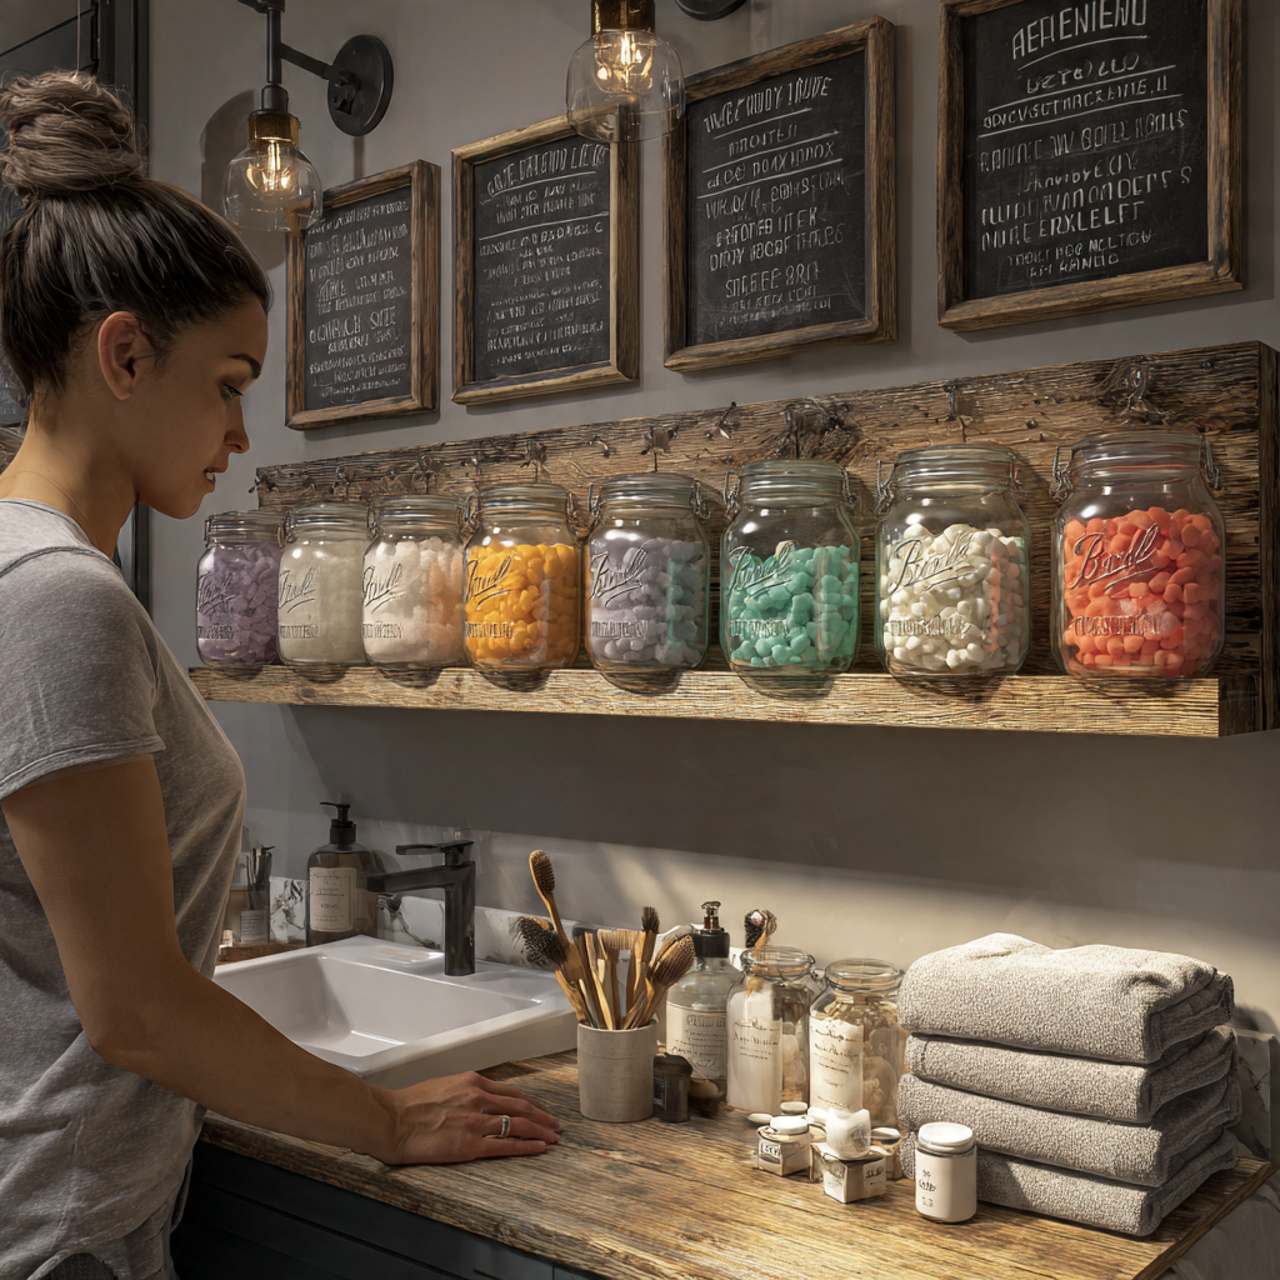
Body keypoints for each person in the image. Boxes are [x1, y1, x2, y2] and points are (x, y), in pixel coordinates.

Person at [0, 72, 561, 1280]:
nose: (242, 437)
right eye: (231, 386)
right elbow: (136, 1004)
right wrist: (388, 1118)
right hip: (59, 1224)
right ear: (125, 355)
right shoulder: (56, 599)